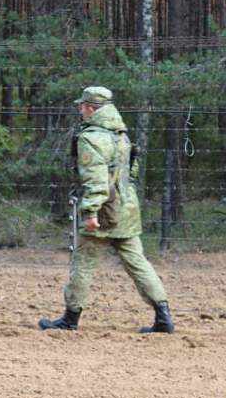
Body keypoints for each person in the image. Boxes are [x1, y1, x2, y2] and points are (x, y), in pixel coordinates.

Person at [39, 86, 174, 333]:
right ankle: (163, 316)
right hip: (127, 209)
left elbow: (96, 180)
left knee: (83, 263)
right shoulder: (121, 135)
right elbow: (131, 173)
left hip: (103, 213)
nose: (81, 110)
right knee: (138, 264)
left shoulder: (90, 139)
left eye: (83, 106)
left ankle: (70, 319)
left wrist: (90, 212)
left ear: (91, 108)